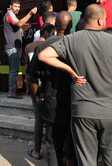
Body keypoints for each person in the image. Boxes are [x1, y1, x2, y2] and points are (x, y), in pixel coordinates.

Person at [38, 4, 112, 166]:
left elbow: (44, 55)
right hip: (109, 111)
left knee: (86, 160)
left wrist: (70, 70)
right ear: (100, 20)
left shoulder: (71, 39)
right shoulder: (110, 40)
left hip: (83, 111)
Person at [27, 11, 76, 166]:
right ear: (71, 26)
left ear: (55, 26)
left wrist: (37, 95)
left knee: (54, 146)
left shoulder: (43, 47)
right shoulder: (77, 45)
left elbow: (30, 76)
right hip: (74, 104)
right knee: (72, 145)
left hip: (52, 103)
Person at [23, 23, 55, 161]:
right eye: (52, 33)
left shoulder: (29, 47)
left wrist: (29, 87)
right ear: (47, 33)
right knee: (50, 119)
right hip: (49, 87)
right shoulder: (51, 46)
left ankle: (36, 150)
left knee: (38, 119)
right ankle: (52, 150)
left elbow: (27, 71)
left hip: (35, 86)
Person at [3, 0, 37, 99]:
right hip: (12, 47)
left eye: (18, 7)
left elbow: (19, 27)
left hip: (14, 46)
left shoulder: (12, 15)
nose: (17, 8)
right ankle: (11, 92)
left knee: (14, 70)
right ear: (11, 6)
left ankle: (12, 91)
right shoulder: (10, 15)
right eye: (15, 6)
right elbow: (19, 24)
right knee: (14, 70)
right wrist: (30, 14)